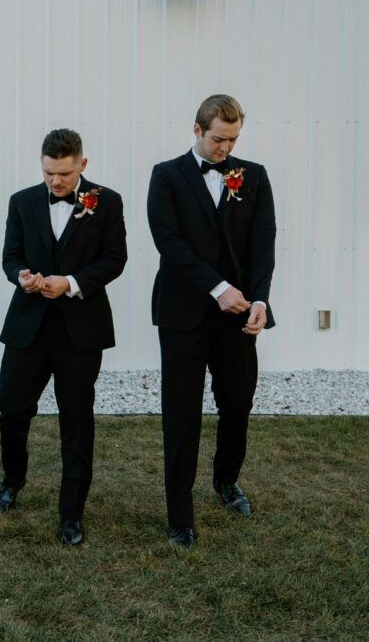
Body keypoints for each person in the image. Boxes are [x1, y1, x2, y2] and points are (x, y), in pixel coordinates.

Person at [147, 94, 277, 548]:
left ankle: (225, 481)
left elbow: (264, 243)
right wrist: (216, 288)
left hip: (239, 314)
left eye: (233, 139)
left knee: (237, 405)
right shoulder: (166, 176)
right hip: (184, 314)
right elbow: (169, 242)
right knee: (181, 415)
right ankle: (179, 514)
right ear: (197, 130)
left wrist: (259, 299)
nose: (226, 147)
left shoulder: (254, 177)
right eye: (219, 138)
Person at [0, 129, 128, 545]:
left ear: (82, 165)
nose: (56, 182)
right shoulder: (21, 201)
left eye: (65, 174)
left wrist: (69, 282)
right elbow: (10, 257)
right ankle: (12, 481)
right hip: (27, 327)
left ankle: (71, 513)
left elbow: (114, 260)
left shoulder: (108, 201)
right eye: (49, 172)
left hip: (80, 331)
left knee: (77, 421)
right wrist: (23, 276)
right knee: (12, 410)